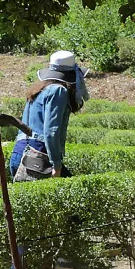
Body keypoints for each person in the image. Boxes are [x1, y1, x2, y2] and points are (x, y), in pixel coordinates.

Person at [9, 50, 90, 180]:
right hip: (37, 156)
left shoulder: (41, 89)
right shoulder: (59, 91)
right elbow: (51, 132)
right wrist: (56, 166)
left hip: (20, 153)